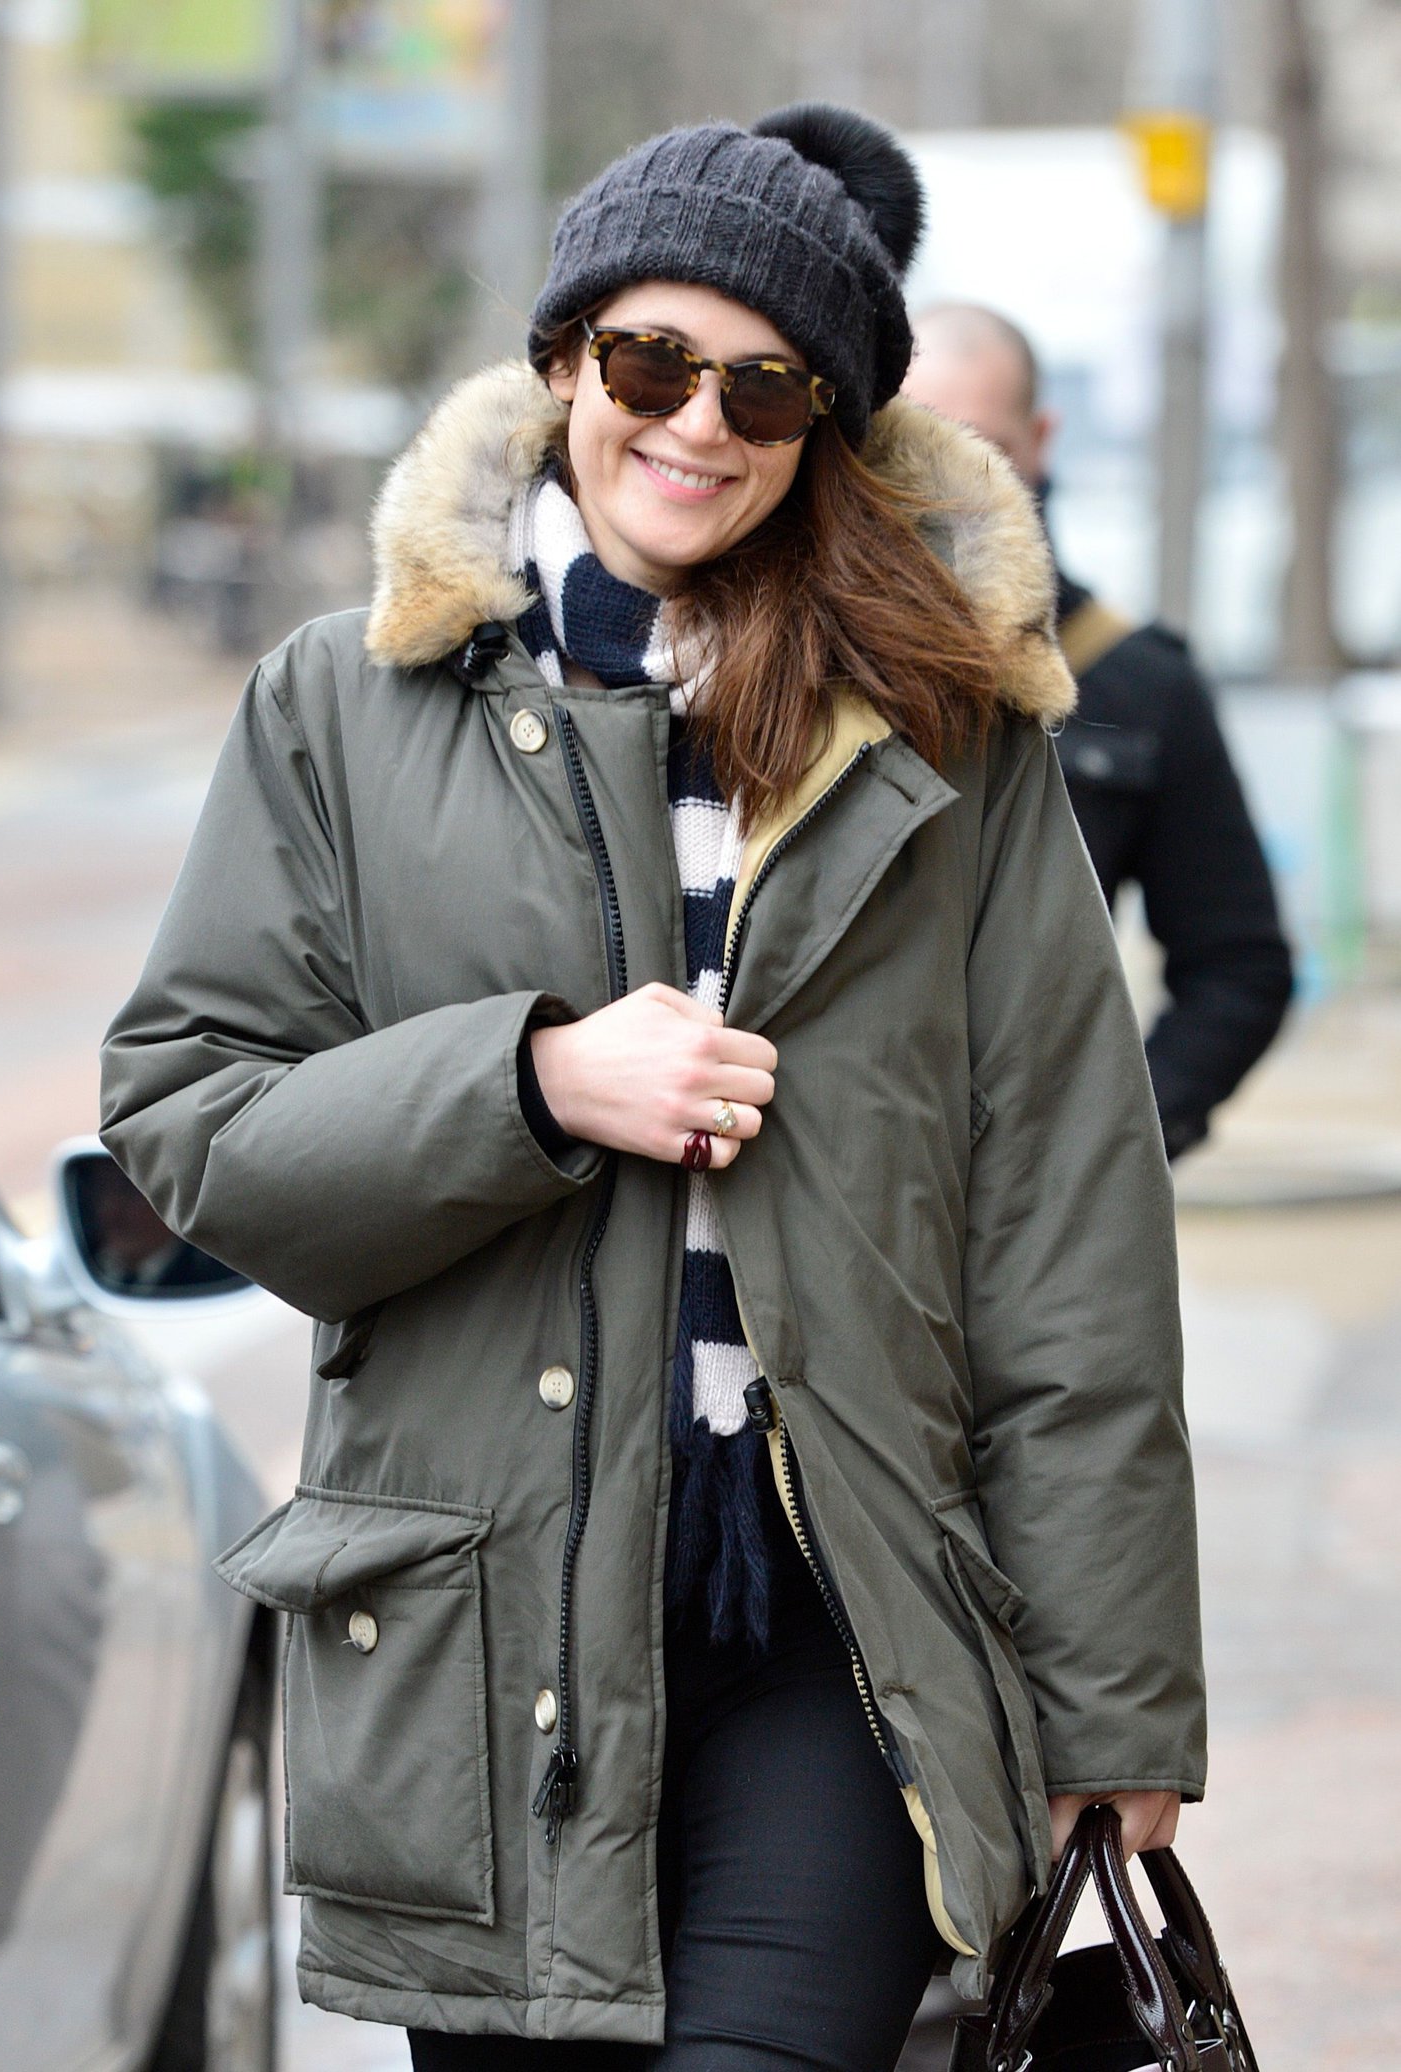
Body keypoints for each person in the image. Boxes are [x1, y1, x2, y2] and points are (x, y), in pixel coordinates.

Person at [100, 107, 1205, 2069]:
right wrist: (523, 1085)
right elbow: (194, 1119)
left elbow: (1068, 1242)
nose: (697, 423)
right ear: (560, 364)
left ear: (824, 430)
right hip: (487, 1635)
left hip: (837, 1622)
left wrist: (1115, 1706)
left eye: (764, 385)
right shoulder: (339, 704)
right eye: (648, 362)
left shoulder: (949, 739)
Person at [904, 304, 1293, 1161]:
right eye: (909, 445)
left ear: (1041, 439)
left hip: (1032, 1210)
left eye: (980, 448)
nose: (944, 488)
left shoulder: (1139, 681)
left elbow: (1237, 967)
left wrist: (1108, 1154)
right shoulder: (781, 657)